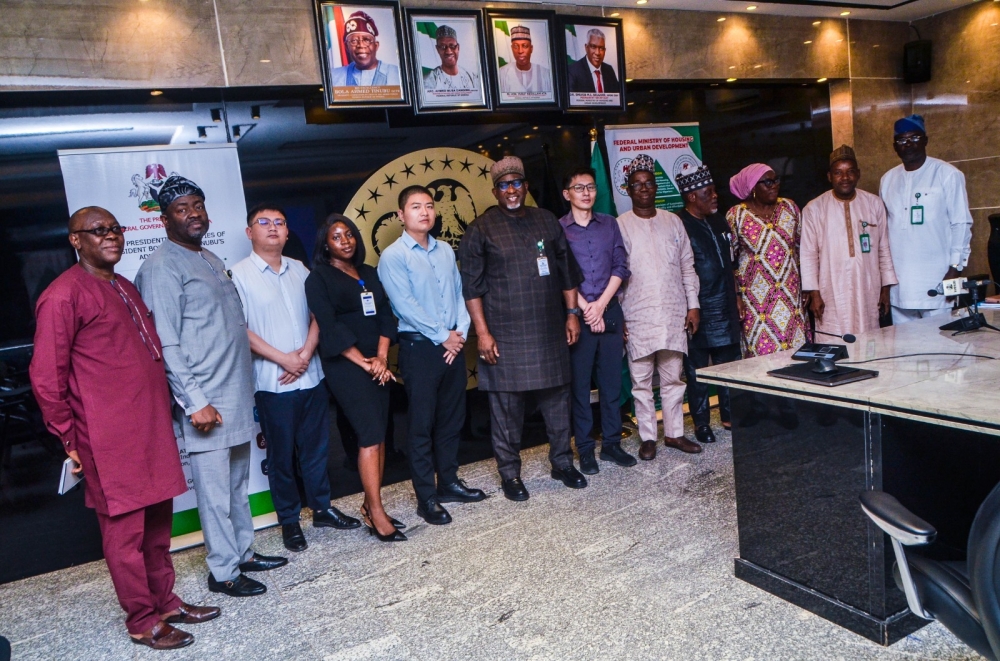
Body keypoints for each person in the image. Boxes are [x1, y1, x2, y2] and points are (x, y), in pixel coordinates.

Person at [30, 206, 220, 650]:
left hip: (150, 427)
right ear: (75, 240)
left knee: (157, 526)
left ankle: (165, 602)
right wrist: (69, 439)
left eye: (115, 229)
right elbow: (45, 377)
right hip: (107, 437)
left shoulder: (123, 284)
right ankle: (142, 619)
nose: (110, 236)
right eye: (98, 231)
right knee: (125, 534)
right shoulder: (63, 296)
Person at [135, 176, 287, 600]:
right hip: (206, 402)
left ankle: (242, 552)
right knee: (216, 493)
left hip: (236, 395)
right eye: (182, 209)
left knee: (237, 485)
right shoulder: (161, 266)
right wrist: (195, 402)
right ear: (164, 219)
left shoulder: (208, 256)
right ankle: (222, 572)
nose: (194, 214)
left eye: (198, 205)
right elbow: (165, 341)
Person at [230, 203, 361, 554]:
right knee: (282, 458)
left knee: (318, 450)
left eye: (280, 223)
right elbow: (240, 329)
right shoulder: (238, 275)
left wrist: (303, 355)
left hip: (310, 377)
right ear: (249, 232)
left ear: (288, 233)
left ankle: (322, 509)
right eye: (264, 222)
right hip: (274, 384)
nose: (273, 228)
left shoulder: (301, 270)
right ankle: (289, 520)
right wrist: (284, 359)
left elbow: (321, 314)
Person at [458, 156, 587, 501]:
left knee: (558, 404)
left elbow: (566, 271)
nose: (511, 190)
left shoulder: (546, 220)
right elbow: (471, 288)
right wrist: (483, 333)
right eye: (504, 185)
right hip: (505, 335)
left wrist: (572, 314)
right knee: (506, 411)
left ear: (525, 186)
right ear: (495, 191)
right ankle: (510, 475)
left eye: (517, 183)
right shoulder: (481, 229)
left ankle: (562, 462)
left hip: (548, 331)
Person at [377, 186, 486, 525]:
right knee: (421, 426)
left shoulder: (443, 252)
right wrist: (444, 337)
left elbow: (458, 292)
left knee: (452, 420)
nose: (424, 212)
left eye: (429, 206)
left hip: (451, 344)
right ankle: (426, 497)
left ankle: (449, 483)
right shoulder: (393, 257)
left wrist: (461, 332)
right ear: (401, 215)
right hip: (421, 349)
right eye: (415, 207)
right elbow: (404, 305)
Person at [305, 214, 404, 542]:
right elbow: (329, 327)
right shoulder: (318, 278)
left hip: (379, 362)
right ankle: (375, 512)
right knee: (368, 435)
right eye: (337, 236)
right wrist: (366, 363)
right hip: (348, 366)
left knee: (380, 436)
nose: (345, 241)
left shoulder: (368, 272)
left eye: (349, 234)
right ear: (326, 244)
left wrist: (382, 356)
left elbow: (387, 316)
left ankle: (372, 504)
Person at [617, 155, 702, 461]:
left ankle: (675, 434)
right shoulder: (620, 226)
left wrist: (693, 306)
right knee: (640, 382)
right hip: (636, 314)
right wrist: (619, 316)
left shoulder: (673, 221)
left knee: (673, 377)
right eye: (637, 185)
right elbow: (614, 275)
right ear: (628, 190)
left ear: (656, 187)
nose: (643, 189)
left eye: (648, 183)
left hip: (672, 311)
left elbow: (687, 267)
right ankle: (648, 437)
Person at [559, 167, 636, 474]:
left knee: (611, 382)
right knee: (579, 387)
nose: (586, 193)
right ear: (567, 194)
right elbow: (561, 274)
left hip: (609, 310)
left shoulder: (609, 225)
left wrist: (601, 306)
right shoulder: (559, 229)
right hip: (576, 315)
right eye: (579, 188)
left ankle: (613, 445)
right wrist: (586, 309)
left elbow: (621, 266)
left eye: (590, 187)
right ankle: (587, 449)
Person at [879, 114, 973, 323]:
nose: (909, 144)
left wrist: (955, 270)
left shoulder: (947, 174)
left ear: (925, 140)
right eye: (902, 140)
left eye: (915, 138)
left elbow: (961, 224)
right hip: (900, 286)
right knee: (904, 348)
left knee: (941, 345)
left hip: (938, 278)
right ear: (895, 147)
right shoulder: (887, 180)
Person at [675, 164, 742, 444]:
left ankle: (730, 415)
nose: (715, 196)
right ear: (691, 196)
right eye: (708, 192)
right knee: (697, 372)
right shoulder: (679, 224)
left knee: (730, 367)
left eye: (714, 190)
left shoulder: (719, 220)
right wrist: (690, 306)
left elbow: (732, 262)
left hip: (725, 303)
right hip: (698, 308)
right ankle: (702, 423)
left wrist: (737, 295)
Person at [802, 146, 898, 336]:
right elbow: (808, 255)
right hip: (830, 289)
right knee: (833, 338)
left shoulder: (874, 204)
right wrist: (814, 294)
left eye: (850, 172)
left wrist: (885, 291)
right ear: (829, 176)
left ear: (858, 174)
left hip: (868, 287)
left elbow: (883, 249)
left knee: (869, 337)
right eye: (838, 173)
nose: (844, 178)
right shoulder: (814, 209)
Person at [727, 163, 810, 357]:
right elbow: (730, 259)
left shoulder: (789, 207)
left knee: (796, 353)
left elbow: (801, 249)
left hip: (791, 297)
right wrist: (736, 295)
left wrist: (807, 286)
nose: (774, 186)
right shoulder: (736, 215)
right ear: (752, 187)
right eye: (767, 182)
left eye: (776, 180)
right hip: (756, 302)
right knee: (761, 356)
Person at [330, 11, 401, 87]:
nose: (361, 45)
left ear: (376, 45)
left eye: (366, 40)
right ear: (347, 47)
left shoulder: (397, 74)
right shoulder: (333, 76)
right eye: (354, 41)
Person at [496, 26, 552, 95]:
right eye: (516, 46)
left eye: (525, 46)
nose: (520, 51)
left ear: (531, 48)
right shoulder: (501, 74)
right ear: (511, 48)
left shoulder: (545, 74)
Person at [423, 25, 479, 92]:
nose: (448, 51)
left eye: (452, 46)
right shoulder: (429, 80)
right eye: (443, 47)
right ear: (437, 49)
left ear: (458, 47)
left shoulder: (472, 78)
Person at [566, 28, 620, 95]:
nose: (597, 53)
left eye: (601, 48)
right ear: (586, 47)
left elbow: (617, 98)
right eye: (593, 47)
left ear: (605, 50)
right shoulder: (573, 71)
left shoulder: (609, 70)